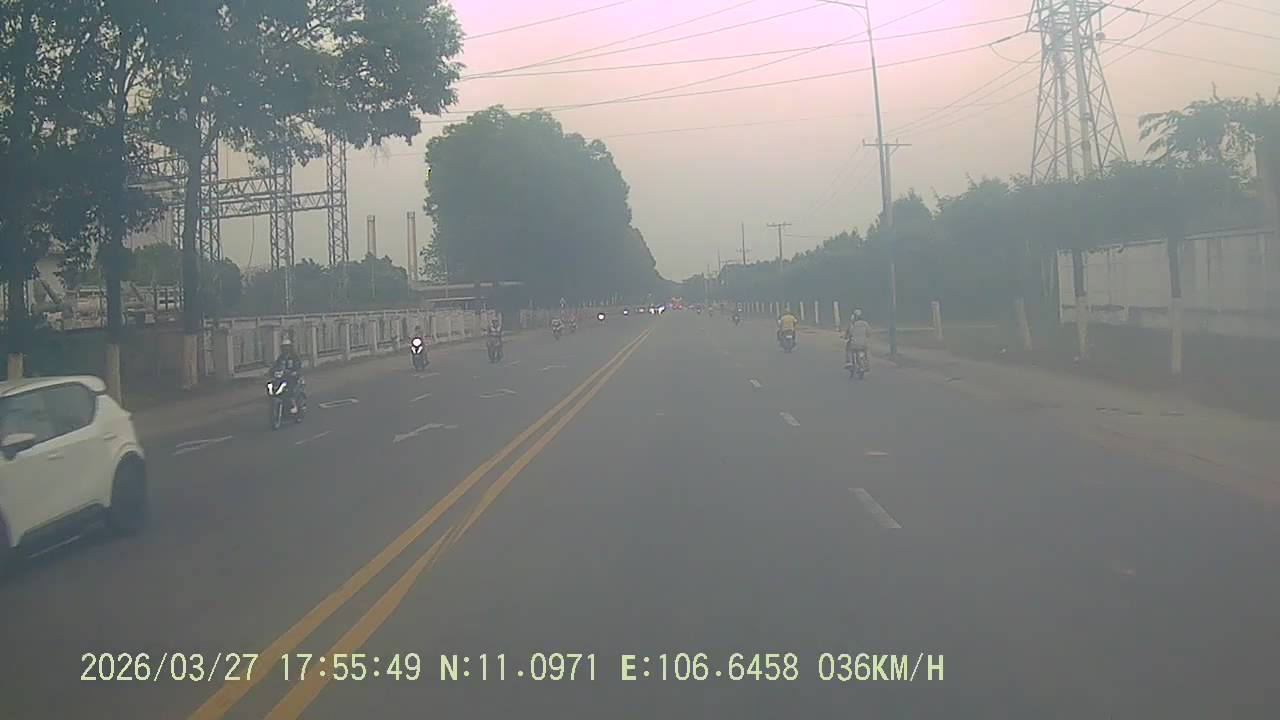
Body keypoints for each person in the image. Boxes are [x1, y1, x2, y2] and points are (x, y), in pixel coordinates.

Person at [272, 334, 306, 413]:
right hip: (283, 377)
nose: (286, 349)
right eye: (284, 347)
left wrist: (295, 372)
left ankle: (294, 405)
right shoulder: (281, 357)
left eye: (287, 347)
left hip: (293, 378)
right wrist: (272, 371)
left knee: (291, 391)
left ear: (290, 347)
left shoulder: (294, 357)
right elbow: (276, 365)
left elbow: (298, 365)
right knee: (274, 385)